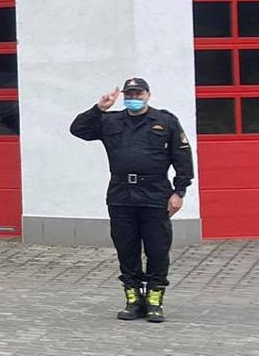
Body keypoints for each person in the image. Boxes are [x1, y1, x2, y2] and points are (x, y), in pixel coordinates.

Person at [70, 77, 194, 323]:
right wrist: (99, 108)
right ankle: (133, 300)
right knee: (126, 249)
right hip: (121, 194)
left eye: (138, 94)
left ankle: (155, 301)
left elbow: (182, 157)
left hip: (155, 193)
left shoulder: (165, 121)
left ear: (148, 95)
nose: (134, 98)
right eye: (130, 94)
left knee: (157, 249)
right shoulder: (110, 121)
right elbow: (78, 129)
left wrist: (179, 192)